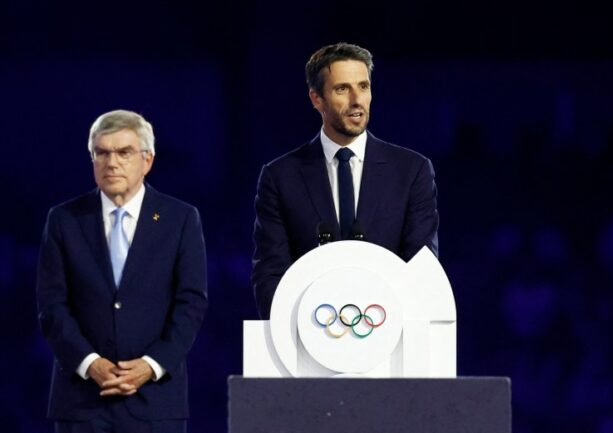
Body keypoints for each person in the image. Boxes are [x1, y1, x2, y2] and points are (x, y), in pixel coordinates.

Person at [36, 110, 208, 433]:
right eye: (101, 153)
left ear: (147, 160)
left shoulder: (180, 219)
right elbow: (51, 307)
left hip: (155, 401)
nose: (111, 162)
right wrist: (91, 364)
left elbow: (191, 303)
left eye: (124, 152)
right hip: (82, 403)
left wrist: (150, 365)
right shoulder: (64, 220)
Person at [251, 43, 439, 319]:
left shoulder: (411, 171)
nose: (356, 100)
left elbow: (421, 269)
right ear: (317, 99)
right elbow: (270, 274)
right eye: (342, 89)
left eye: (363, 87)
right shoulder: (281, 177)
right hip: (307, 341)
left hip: (390, 340)